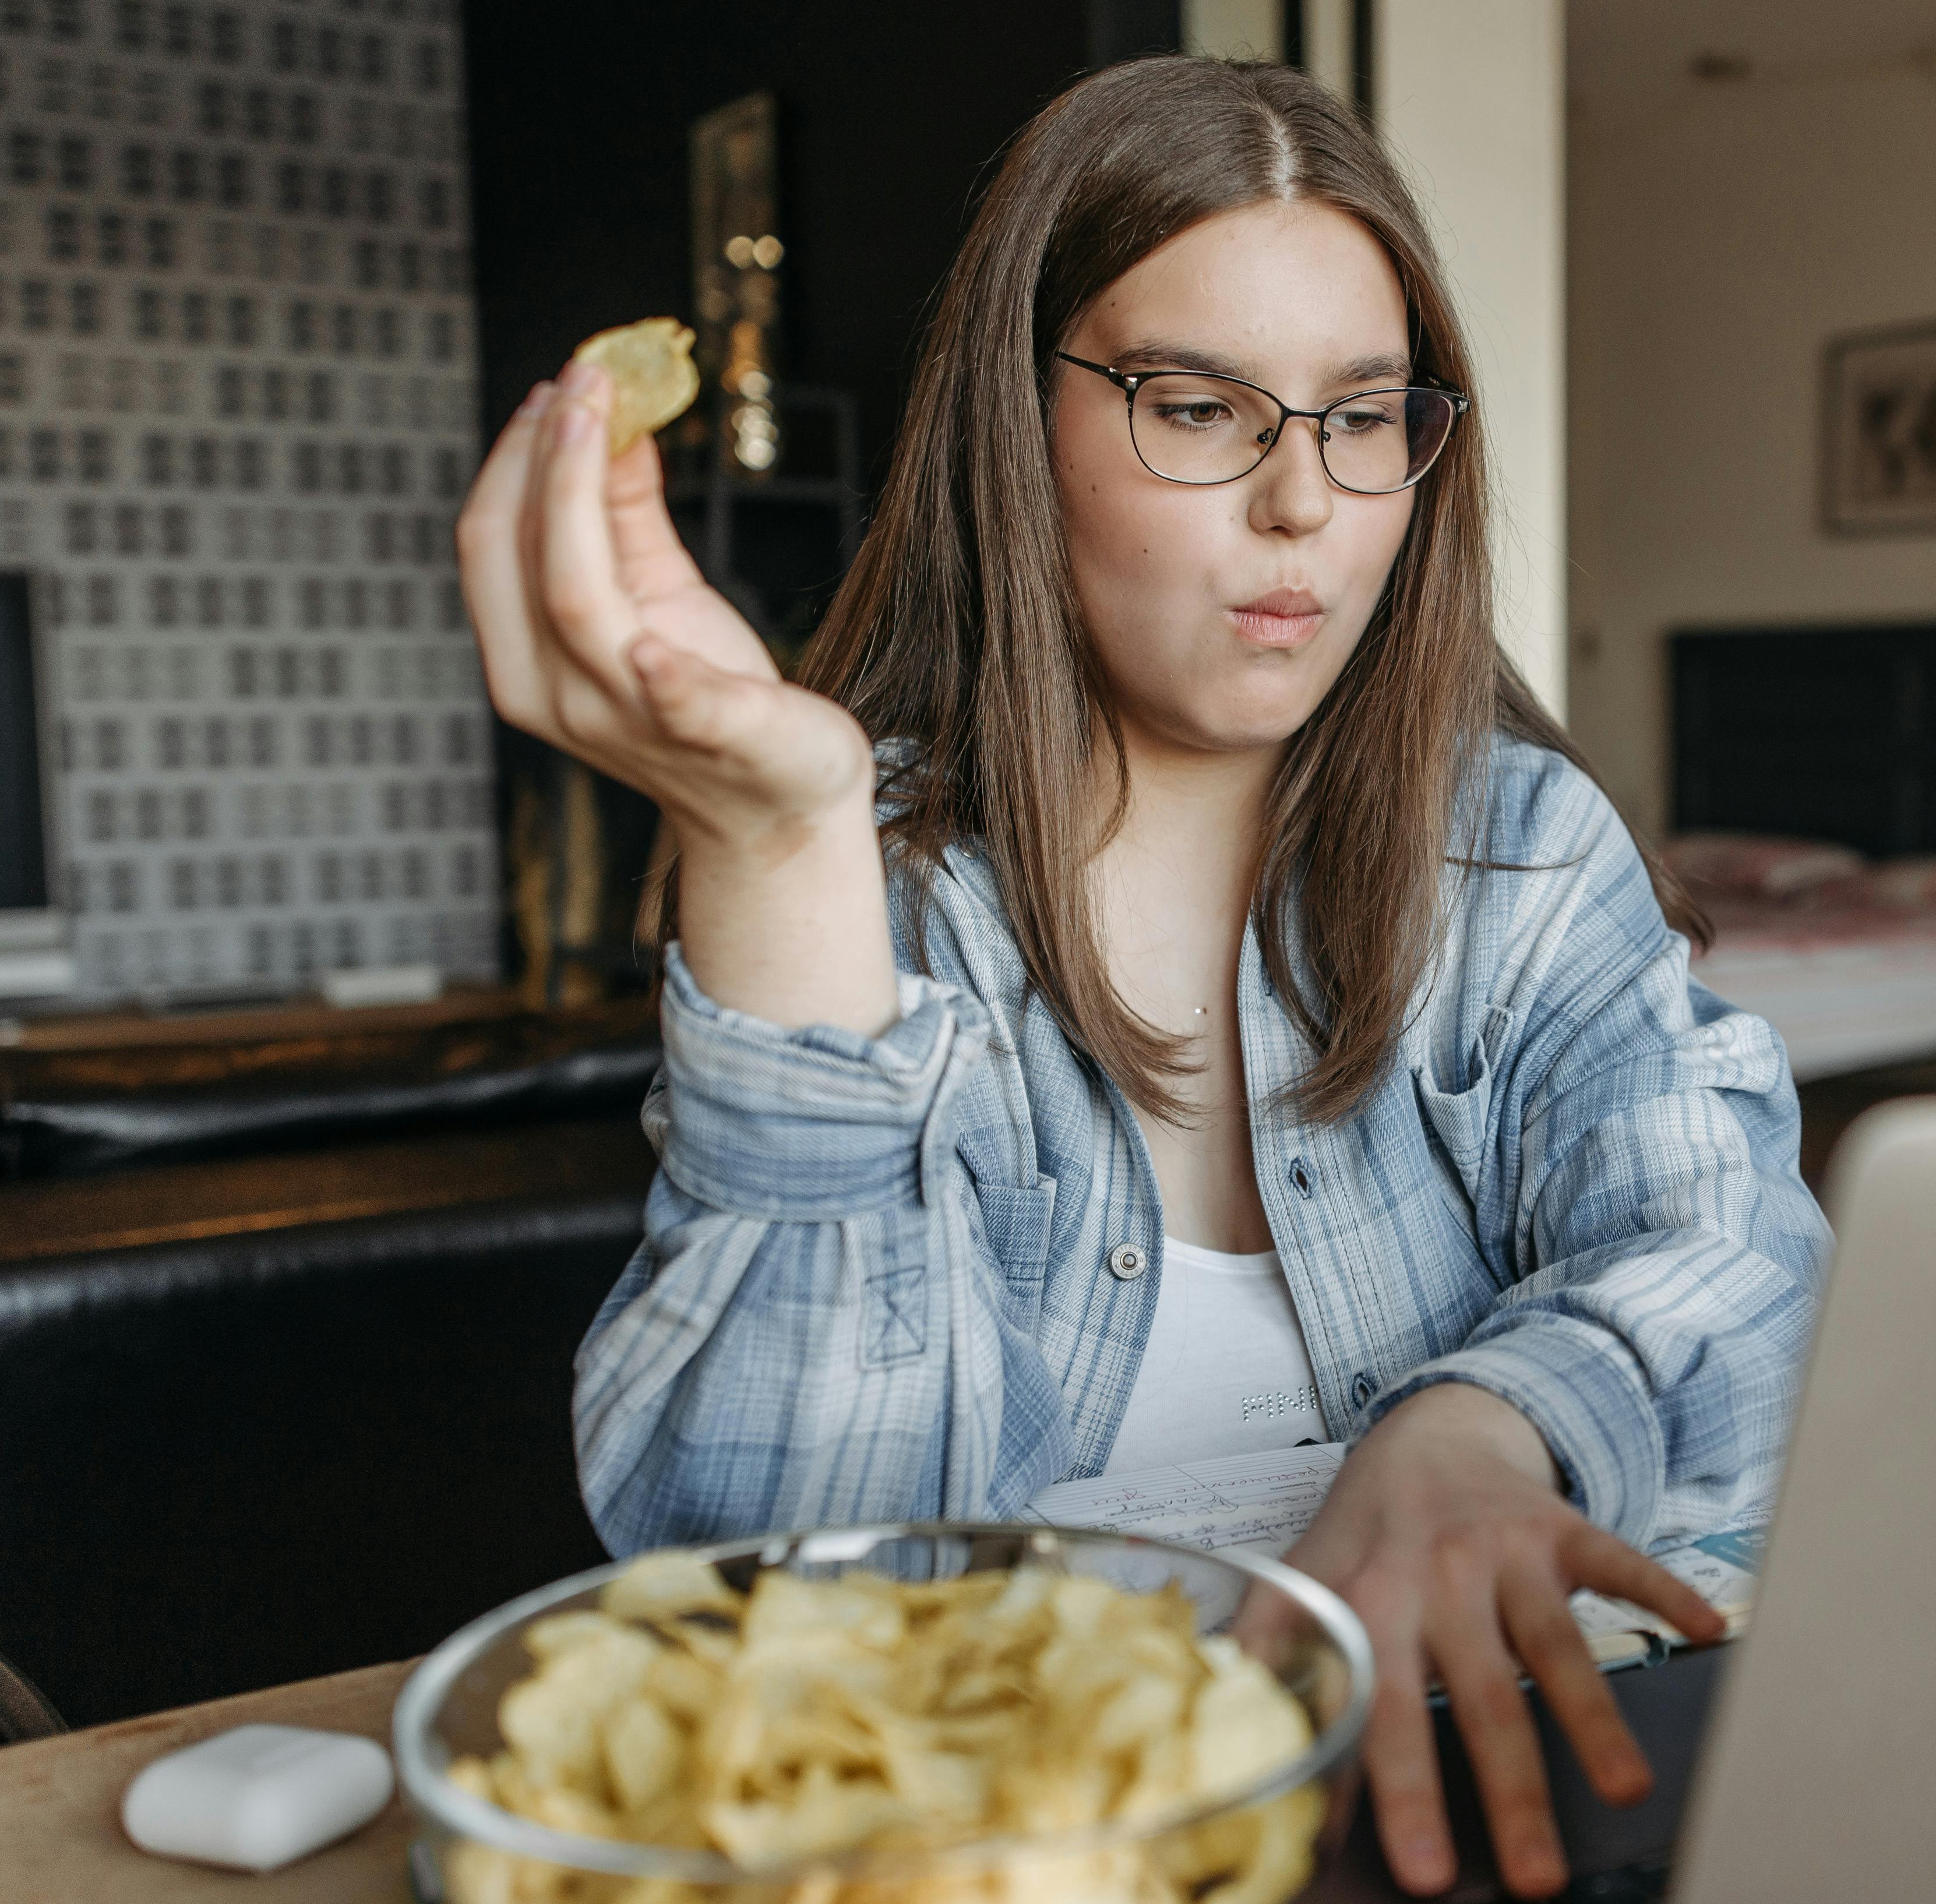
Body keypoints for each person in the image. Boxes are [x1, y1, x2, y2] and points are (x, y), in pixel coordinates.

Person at [456, 56, 1826, 1900]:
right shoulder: (874, 900)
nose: (1302, 507)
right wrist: (784, 854)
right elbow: (771, 1565)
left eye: (1362, 419)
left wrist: (1481, 1421)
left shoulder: (1518, 853)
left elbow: (1743, 1274)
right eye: (1199, 407)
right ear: (1014, 428)